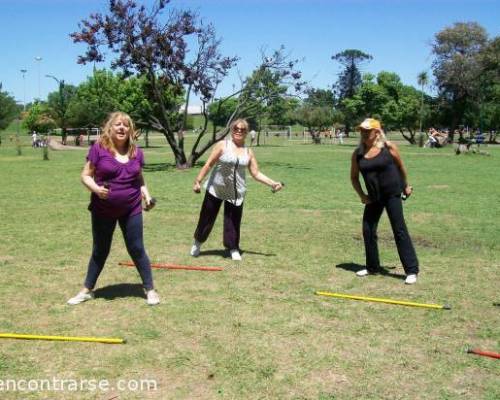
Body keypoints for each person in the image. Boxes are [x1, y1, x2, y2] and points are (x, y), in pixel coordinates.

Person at [67, 112, 160, 305]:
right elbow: (85, 175)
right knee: (100, 249)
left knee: (136, 248)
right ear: (110, 128)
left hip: (131, 208)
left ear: (130, 130)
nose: (121, 128)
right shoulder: (99, 149)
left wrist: (147, 196)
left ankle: (150, 290)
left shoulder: (136, 153)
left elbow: (139, 178)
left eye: (126, 125)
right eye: (117, 124)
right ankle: (86, 290)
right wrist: (96, 189)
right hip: (103, 209)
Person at [190, 118, 284, 261]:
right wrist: (198, 181)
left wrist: (272, 183)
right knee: (206, 218)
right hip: (215, 188)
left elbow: (256, 173)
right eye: (236, 129)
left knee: (233, 221)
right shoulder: (223, 145)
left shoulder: (248, 152)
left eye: (242, 130)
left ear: (246, 132)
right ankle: (198, 243)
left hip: (236, 192)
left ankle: (233, 248)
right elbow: (209, 164)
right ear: (231, 130)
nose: (239, 131)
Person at [350, 118, 419, 284]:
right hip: (373, 197)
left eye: (368, 131)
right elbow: (354, 177)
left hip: (392, 194)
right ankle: (372, 266)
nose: (364, 134)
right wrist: (362, 195)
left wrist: (405, 186)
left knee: (399, 229)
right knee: (368, 230)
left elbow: (401, 168)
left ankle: (411, 270)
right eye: (362, 131)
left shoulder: (389, 148)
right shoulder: (358, 153)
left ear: (377, 132)